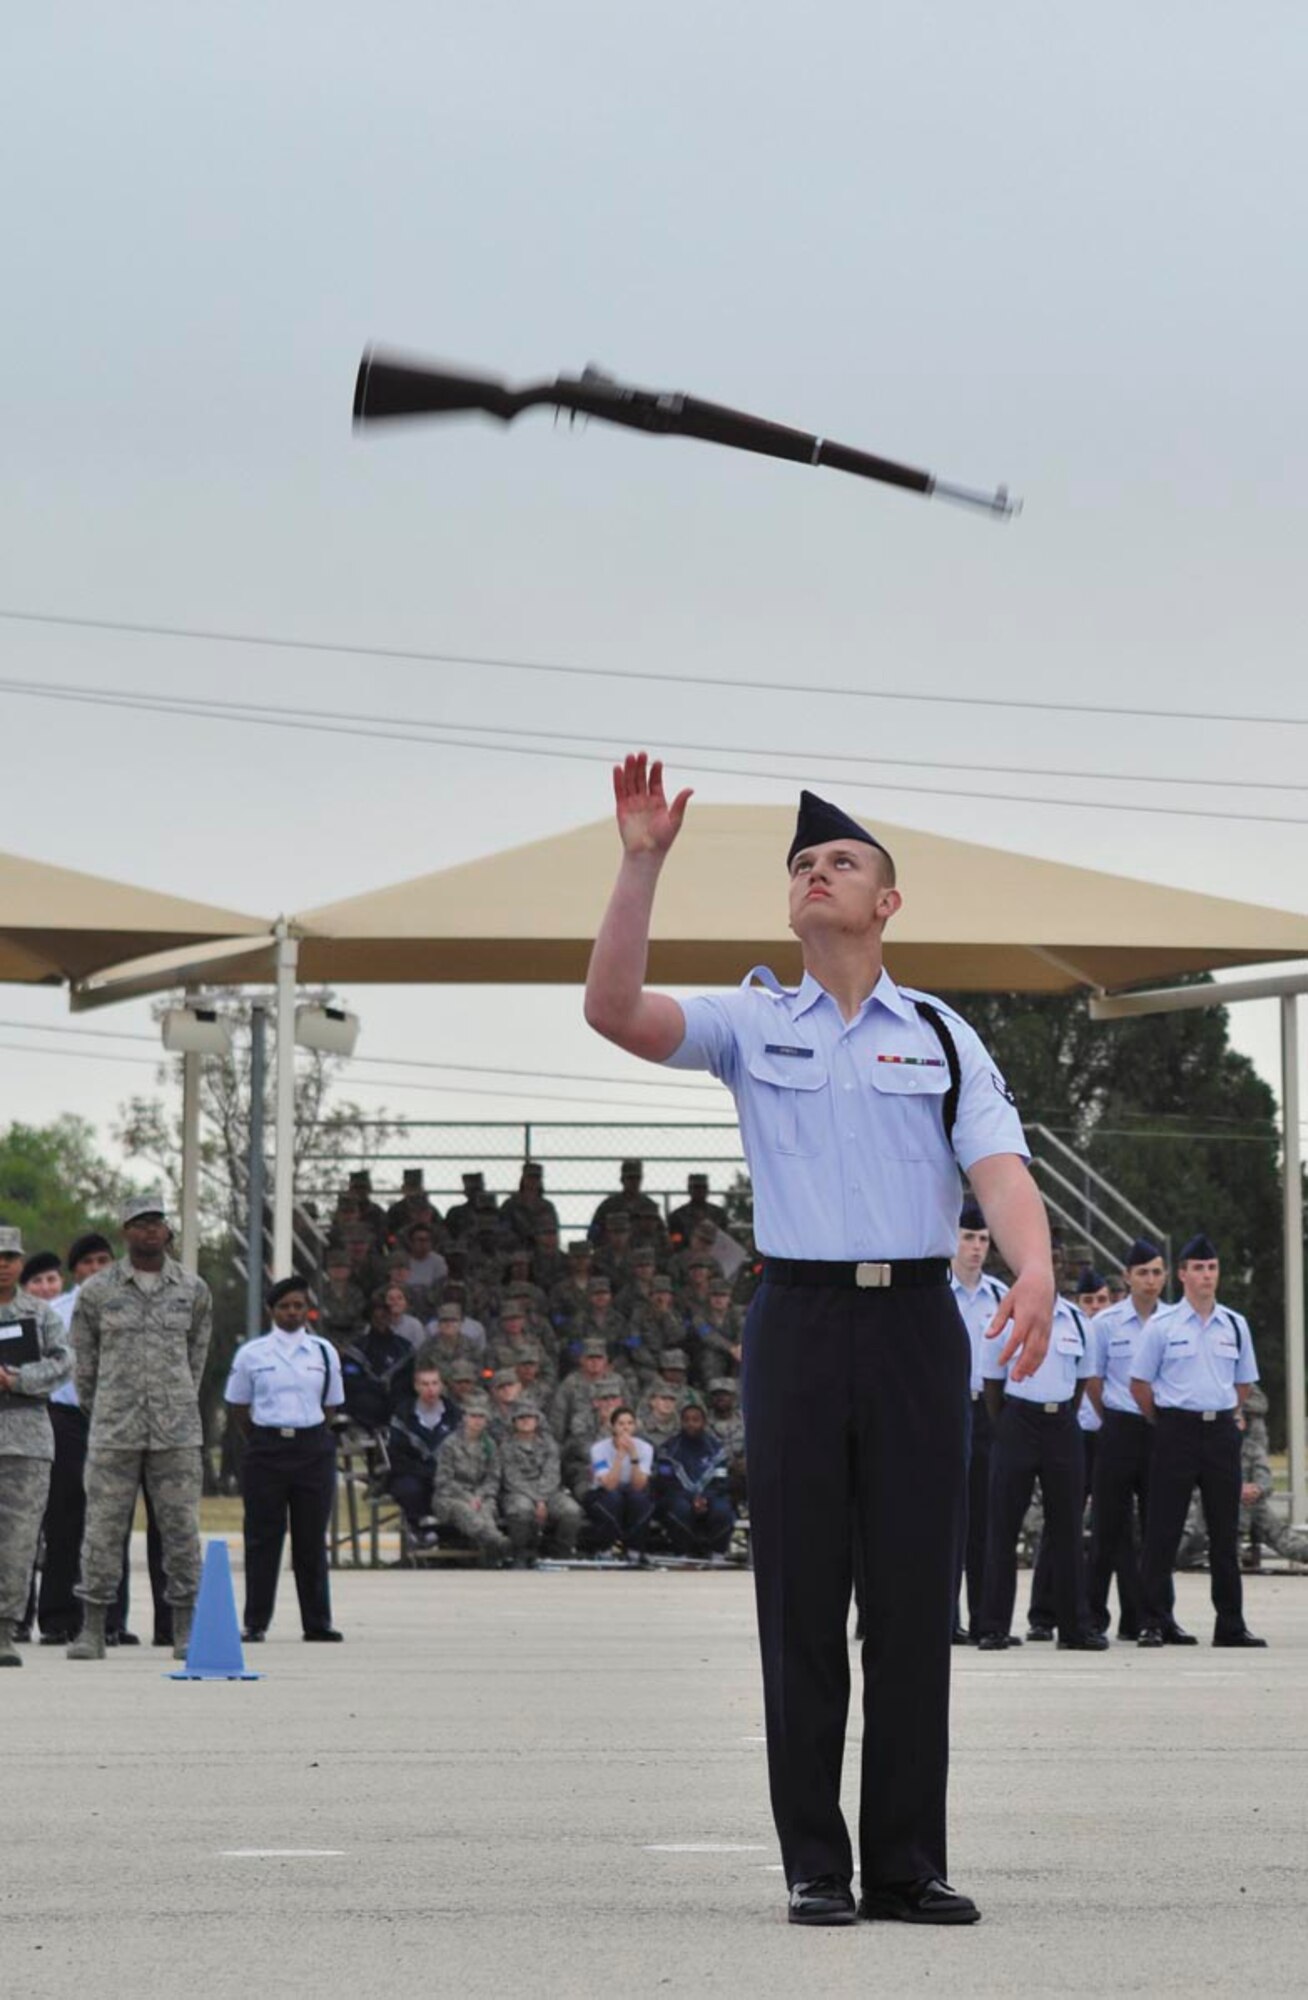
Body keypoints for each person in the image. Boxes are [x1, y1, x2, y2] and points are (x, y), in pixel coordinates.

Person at [585, 758, 1054, 1927]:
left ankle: (905, 1861)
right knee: (800, 1597)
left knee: (909, 1601)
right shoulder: (753, 1021)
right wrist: (641, 863)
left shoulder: (943, 1035)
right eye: (801, 864)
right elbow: (614, 1009)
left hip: (912, 1325)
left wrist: (1035, 1265)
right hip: (796, 1317)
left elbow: (1000, 1168)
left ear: (887, 901)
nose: (815, 873)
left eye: (839, 861)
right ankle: (817, 1864)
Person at [67, 1194, 211, 1663]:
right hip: (115, 1429)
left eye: (156, 1222)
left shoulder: (193, 1290)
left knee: (182, 1532)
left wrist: (175, 1403)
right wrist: (106, 1407)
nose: (149, 1230)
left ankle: (186, 1627)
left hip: (176, 1433)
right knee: (102, 1532)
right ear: (124, 1231)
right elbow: (83, 1367)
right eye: (139, 1223)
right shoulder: (97, 1292)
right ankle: (92, 1627)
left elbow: (197, 1359)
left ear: (168, 1230)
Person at [1132, 1235, 1265, 1648]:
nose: (1207, 1276)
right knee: (1163, 1530)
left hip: (1220, 1432)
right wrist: (1168, 1420)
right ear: (1183, 1275)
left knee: (1225, 1533)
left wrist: (1219, 1412)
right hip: (1175, 1430)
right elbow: (1140, 1384)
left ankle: (1230, 1623)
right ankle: (1154, 1620)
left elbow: (1242, 1385)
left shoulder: (1234, 1325)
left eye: (1212, 1268)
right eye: (1199, 1268)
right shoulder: (1163, 1327)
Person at [978, 1294, 1106, 1653]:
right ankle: (993, 1627)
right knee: (1002, 1527)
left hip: (1061, 1423)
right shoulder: (1005, 1316)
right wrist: (1005, 1424)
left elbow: (1082, 1381)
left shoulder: (1078, 1321)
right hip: (1017, 1418)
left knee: (1067, 1528)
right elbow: (991, 1382)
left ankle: (1074, 1628)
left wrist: (1060, 1413)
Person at [224, 1278, 345, 1642]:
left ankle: (317, 1622)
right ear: (271, 1311)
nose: (292, 1313)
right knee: (263, 1537)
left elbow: (331, 1403)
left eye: (298, 1306)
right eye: (285, 1307)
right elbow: (239, 1406)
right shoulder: (252, 1354)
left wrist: (310, 1435)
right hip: (267, 1450)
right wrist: (264, 1437)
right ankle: (256, 1621)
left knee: (310, 1539)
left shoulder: (323, 1351)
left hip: (312, 1449)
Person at [1082, 1238, 1167, 1641]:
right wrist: (1111, 1418)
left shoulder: (1172, 1322)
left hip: (1159, 1431)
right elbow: (1093, 1381)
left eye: (1156, 1272)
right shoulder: (1105, 1324)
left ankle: (1150, 1618)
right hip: (1116, 1428)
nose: (1151, 1281)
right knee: (1107, 1528)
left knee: (1156, 1529)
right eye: (1143, 1273)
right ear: (1127, 1278)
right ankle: (1094, 1617)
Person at [0, 1227, 73, 1665]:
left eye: (10, 1256)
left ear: (21, 1262)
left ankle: (5, 1628)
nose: (3, 1264)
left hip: (26, 1436)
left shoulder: (41, 1315)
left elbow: (65, 1362)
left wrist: (17, 1380)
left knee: (19, 1541)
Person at [949, 1200, 1008, 1643]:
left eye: (983, 1239)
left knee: (985, 1518)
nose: (975, 1248)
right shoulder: (935, 1289)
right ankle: (944, 1619)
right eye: (968, 1237)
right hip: (945, 1409)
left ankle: (987, 1621)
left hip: (987, 1409)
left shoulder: (1000, 1296)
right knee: (945, 1518)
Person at [499, 1399, 581, 1565]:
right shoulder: (506, 1447)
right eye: (521, 1418)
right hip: (518, 1492)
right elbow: (512, 1478)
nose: (526, 1421)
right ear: (514, 1422)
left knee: (571, 1511)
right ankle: (523, 1553)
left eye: (530, 1417)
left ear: (537, 1420)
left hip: (549, 1492)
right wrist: (537, 1500)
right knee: (521, 1510)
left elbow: (552, 1474)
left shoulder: (549, 1445)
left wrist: (542, 1500)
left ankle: (561, 1553)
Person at [387, 1360, 461, 1545]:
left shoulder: (454, 1414)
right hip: (412, 1473)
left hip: (447, 1473)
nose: (431, 1389)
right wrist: (425, 1472)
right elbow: (396, 1455)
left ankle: (449, 1539)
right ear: (416, 1386)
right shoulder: (403, 1414)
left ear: (441, 1386)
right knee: (409, 1489)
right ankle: (419, 1531)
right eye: (425, 1384)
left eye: (435, 1383)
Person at [653, 1401, 735, 1557]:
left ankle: (718, 1553)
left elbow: (721, 1482)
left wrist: (705, 1498)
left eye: (695, 1420)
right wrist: (691, 1498)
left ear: (703, 1422)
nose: (691, 1424)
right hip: (678, 1496)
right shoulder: (669, 1449)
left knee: (723, 1510)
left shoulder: (715, 1449)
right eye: (687, 1420)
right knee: (679, 1508)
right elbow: (665, 1482)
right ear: (681, 1422)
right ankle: (683, 1552)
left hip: (710, 1496)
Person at [433, 1392, 507, 1566]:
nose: (477, 1421)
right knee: (464, 1510)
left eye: (481, 1416)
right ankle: (497, 1541)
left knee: (487, 1511)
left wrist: (480, 1496)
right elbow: (443, 1480)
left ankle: (489, 1558)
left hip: (480, 1496)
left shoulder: (489, 1445)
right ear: (465, 1418)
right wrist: (467, 1498)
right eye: (473, 1416)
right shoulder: (450, 1444)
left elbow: (493, 1478)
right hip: (450, 1497)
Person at [584, 1404, 654, 1559]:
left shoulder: (645, 1448)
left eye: (630, 1423)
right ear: (613, 1426)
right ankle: (605, 1548)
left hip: (630, 1490)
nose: (625, 1428)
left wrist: (634, 1457)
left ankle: (635, 1549)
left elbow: (639, 1485)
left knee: (640, 1500)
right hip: (603, 1491)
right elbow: (609, 1485)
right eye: (621, 1424)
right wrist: (620, 1456)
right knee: (613, 1498)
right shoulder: (598, 1449)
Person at [667, 1173, 729, 1250]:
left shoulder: (719, 1214)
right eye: (696, 1188)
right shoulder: (677, 1216)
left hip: (714, 1256)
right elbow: (676, 1240)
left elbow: (724, 1239)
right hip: (687, 1255)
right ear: (689, 1189)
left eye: (703, 1188)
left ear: (707, 1190)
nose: (700, 1191)